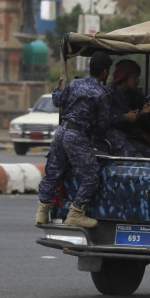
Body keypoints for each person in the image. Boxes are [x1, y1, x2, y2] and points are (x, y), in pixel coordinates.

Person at [35, 52, 112, 227]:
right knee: (92, 176)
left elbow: (57, 101)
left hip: (61, 132)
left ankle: (41, 212)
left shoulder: (75, 83)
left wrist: (57, 89)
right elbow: (103, 125)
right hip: (77, 136)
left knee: (53, 172)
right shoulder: (100, 94)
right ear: (105, 72)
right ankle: (76, 213)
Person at [98, 59, 150, 157]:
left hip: (127, 137)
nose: (137, 81)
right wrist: (124, 117)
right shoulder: (107, 93)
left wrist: (142, 113)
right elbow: (101, 120)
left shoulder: (132, 96)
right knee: (139, 158)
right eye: (135, 77)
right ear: (124, 76)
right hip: (111, 138)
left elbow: (133, 122)